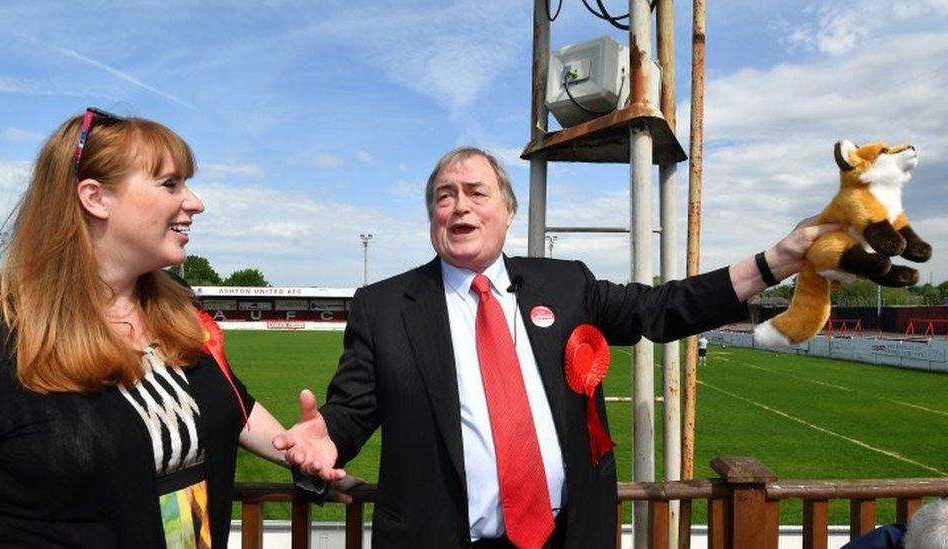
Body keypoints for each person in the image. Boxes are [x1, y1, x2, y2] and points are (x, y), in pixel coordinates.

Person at [274, 147, 839, 548]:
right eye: (445, 197)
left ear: (508, 210)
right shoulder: (384, 305)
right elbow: (351, 411)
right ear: (431, 217)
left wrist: (777, 261)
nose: (460, 207)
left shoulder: (566, 283)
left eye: (477, 192)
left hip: (567, 536)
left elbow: (662, 307)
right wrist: (325, 440)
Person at [0, 108, 355, 548]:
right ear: (95, 198)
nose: (195, 202)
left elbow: (235, 404)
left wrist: (297, 450)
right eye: (170, 184)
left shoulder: (180, 311)